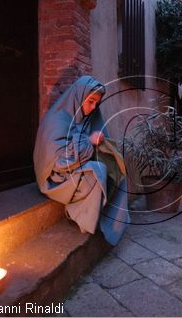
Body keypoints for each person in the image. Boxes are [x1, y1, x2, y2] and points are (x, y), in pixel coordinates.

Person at [33, 76, 130, 245]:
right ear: (78, 97)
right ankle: (82, 219)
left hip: (76, 165)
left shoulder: (84, 116)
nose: (93, 108)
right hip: (57, 177)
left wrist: (99, 144)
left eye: (96, 104)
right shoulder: (57, 121)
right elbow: (60, 162)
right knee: (97, 170)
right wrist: (89, 142)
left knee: (117, 166)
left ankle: (113, 223)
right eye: (90, 102)